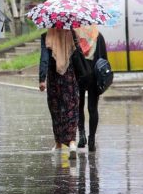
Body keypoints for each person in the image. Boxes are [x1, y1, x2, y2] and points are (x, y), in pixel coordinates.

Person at [39, 28, 79, 160]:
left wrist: (42, 79)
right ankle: (72, 143)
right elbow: (77, 56)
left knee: (56, 110)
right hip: (69, 78)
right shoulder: (71, 34)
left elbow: (44, 58)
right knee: (71, 108)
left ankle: (58, 144)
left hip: (54, 79)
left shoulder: (46, 36)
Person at [75, 26, 108, 152]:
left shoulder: (76, 35)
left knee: (79, 106)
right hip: (94, 76)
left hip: (80, 75)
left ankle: (82, 135)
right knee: (92, 108)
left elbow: (72, 57)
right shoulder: (98, 36)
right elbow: (104, 59)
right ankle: (92, 140)